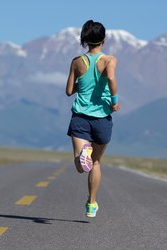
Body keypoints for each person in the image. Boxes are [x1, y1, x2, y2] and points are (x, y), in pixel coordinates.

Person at [66, 20, 120, 218]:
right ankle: (91, 203)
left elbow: (69, 91)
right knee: (96, 163)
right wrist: (114, 101)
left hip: (80, 117)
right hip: (102, 119)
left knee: (81, 166)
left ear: (85, 40)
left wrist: (83, 84)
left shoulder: (77, 62)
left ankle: (83, 157)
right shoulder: (109, 61)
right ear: (103, 40)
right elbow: (112, 78)